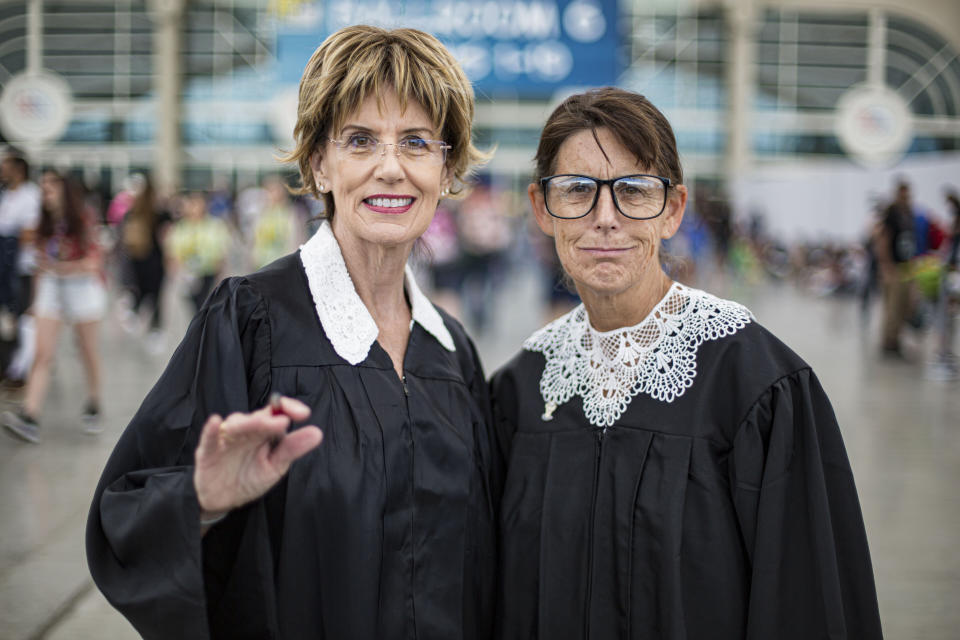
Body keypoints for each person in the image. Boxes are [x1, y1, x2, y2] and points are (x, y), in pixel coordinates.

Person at [87, 25, 498, 640]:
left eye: (416, 142)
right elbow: (126, 513)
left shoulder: (453, 351)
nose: (391, 167)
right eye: (360, 140)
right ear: (319, 166)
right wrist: (202, 501)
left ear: (446, 169)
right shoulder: (251, 321)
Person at [491, 88, 883, 639]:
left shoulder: (756, 384)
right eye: (577, 191)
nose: (606, 218)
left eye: (634, 190)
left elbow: (806, 604)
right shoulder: (521, 388)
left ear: (673, 210)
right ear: (542, 209)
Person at [2, 171, 106, 443]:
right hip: (51, 286)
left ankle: (94, 403)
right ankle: (30, 415)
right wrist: (36, 303)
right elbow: (38, 264)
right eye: (43, 185)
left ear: (64, 189)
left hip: (82, 288)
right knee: (42, 353)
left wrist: (60, 267)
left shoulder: (84, 218)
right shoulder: (43, 222)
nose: (45, 190)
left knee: (86, 350)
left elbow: (93, 264)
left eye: (52, 185)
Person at [118, 173, 170, 344]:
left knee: (140, 290)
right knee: (156, 295)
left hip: (139, 258)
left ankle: (135, 313)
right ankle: (154, 329)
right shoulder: (159, 212)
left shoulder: (133, 212)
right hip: (155, 260)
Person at [165, 191, 231, 313]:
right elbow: (173, 251)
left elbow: (221, 248)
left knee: (206, 305)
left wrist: (220, 268)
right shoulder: (181, 227)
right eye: (193, 203)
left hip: (208, 271)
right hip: (188, 274)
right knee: (193, 308)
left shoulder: (214, 225)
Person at [0, 152, 40, 343]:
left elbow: (29, 232)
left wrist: (10, 237)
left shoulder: (30, 194)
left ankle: (20, 360)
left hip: (20, 265)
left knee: (19, 312)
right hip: (5, 263)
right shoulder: (6, 194)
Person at [874, 180, 917, 356]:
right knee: (892, 308)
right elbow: (883, 240)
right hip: (894, 268)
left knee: (902, 308)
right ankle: (889, 343)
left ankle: (896, 340)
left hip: (905, 266)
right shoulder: (891, 214)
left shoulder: (908, 214)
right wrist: (886, 267)